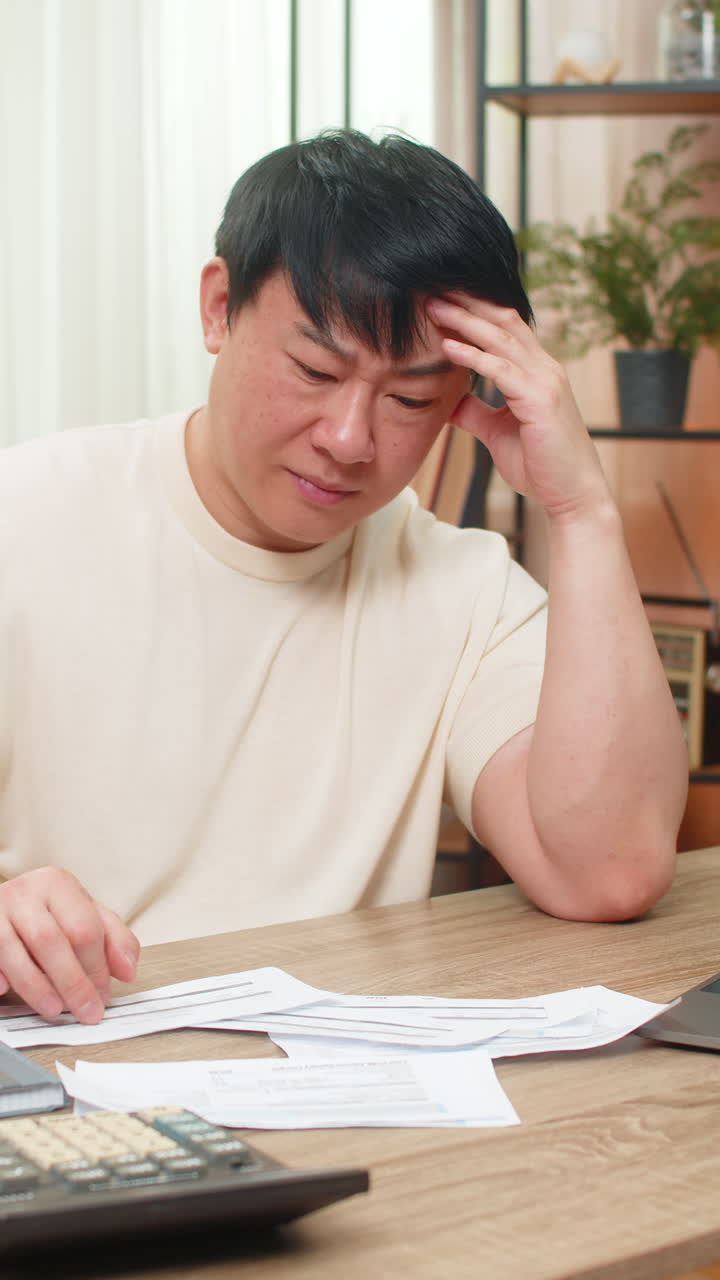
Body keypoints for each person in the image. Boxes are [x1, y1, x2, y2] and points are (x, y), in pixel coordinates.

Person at [0, 129, 687, 1026]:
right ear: (218, 308)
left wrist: (583, 513)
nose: (350, 438)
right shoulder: (26, 519)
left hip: (338, 1105)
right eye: (315, 369)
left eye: (410, 400)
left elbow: (610, 869)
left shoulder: (462, 590)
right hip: (71, 1088)